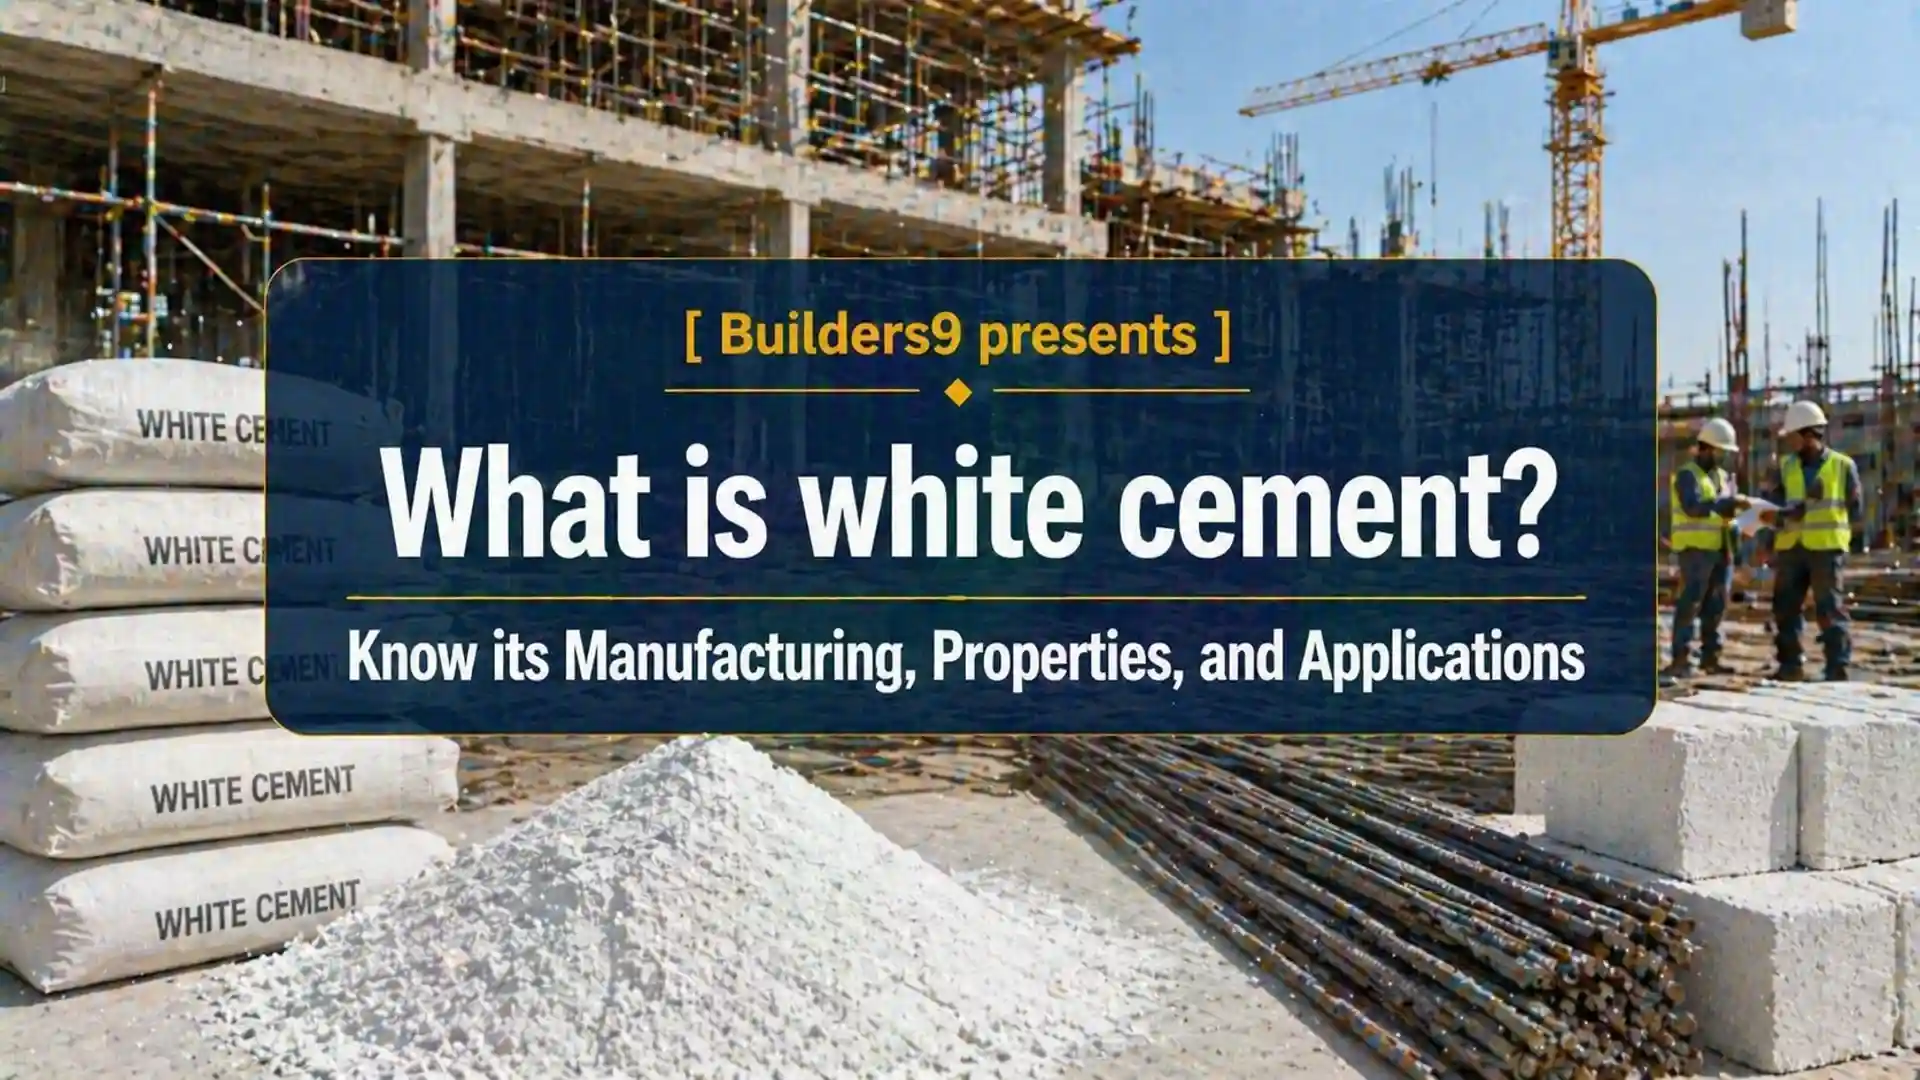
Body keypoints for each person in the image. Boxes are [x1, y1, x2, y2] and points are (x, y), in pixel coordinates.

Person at [1758, 400, 1862, 681]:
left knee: (1830, 608)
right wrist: (1769, 536)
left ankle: (1837, 667)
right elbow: (1773, 507)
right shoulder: (1785, 467)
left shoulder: (1843, 466)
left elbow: (1855, 508)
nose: (1789, 442)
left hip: (1826, 548)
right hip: (1792, 548)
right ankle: (1791, 665)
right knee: (1786, 609)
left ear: (1806, 435)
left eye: (1792, 435)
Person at [1666, 417, 1748, 678]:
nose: (1724, 457)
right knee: (1690, 603)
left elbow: (1727, 513)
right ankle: (1682, 658)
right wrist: (1721, 506)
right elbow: (1693, 507)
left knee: (1716, 605)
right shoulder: (1687, 476)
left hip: (1721, 549)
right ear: (1708, 448)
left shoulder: (1724, 478)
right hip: (1695, 550)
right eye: (1722, 451)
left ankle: (1711, 657)